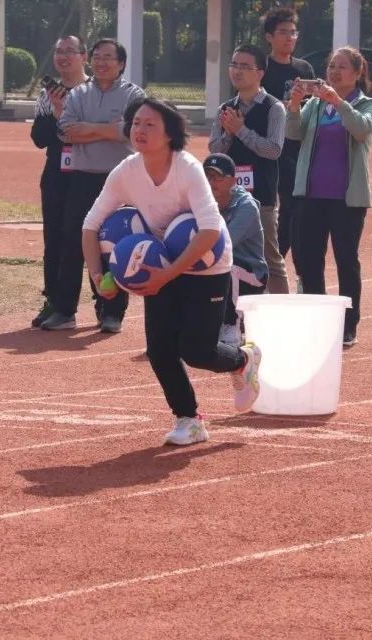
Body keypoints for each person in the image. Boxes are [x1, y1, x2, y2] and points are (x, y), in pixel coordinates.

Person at [82, 98, 262, 446]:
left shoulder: (187, 168)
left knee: (197, 351)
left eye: (150, 124)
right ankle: (189, 419)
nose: (140, 130)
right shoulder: (126, 172)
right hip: (161, 262)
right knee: (160, 349)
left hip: (208, 263)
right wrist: (96, 275)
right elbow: (91, 225)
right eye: (136, 123)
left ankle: (243, 359)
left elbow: (210, 230)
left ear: (169, 134)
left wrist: (167, 276)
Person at [42, 38, 144, 333]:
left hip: (119, 178)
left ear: (121, 64)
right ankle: (65, 310)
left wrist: (89, 129)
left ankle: (112, 312)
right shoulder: (79, 93)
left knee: (115, 243)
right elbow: (65, 131)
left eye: (108, 58)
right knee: (72, 240)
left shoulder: (133, 94)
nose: (101, 62)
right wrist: (108, 130)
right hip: (82, 177)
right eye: (97, 57)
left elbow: (130, 130)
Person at [285, 46, 372, 347]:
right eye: (331, 67)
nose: (334, 72)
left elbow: (361, 129)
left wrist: (338, 102)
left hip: (346, 200)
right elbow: (293, 134)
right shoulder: (315, 105)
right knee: (310, 261)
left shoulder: (367, 104)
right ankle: (318, 321)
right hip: (311, 196)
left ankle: (348, 325)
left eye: (342, 67)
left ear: (357, 73)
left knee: (346, 262)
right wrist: (295, 105)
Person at [208, 43, 288, 294]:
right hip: (227, 197)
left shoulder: (274, 108)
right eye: (234, 65)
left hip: (261, 195)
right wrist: (229, 134)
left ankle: (281, 310)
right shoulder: (225, 108)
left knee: (270, 258)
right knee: (225, 251)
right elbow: (215, 150)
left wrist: (241, 130)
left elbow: (274, 149)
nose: (237, 71)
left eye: (245, 66)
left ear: (260, 73)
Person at [28, 35, 89, 328]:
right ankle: (55, 302)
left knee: (93, 240)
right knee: (54, 240)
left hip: (90, 175)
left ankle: (107, 305)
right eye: (58, 51)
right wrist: (56, 112)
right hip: (56, 175)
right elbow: (40, 138)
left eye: (70, 51)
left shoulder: (94, 91)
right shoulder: (47, 95)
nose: (63, 56)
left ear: (83, 56)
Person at [259, 6, 316, 263]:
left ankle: (278, 263)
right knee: (263, 207)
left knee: (293, 209)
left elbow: (312, 107)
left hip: (294, 149)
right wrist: (287, 105)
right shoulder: (259, 68)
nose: (290, 37)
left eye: (293, 32)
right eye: (283, 32)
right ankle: (261, 264)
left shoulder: (304, 69)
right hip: (264, 149)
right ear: (269, 37)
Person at [203, 152, 267, 346]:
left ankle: (232, 325)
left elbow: (225, 244)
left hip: (251, 276)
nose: (212, 182)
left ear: (233, 180)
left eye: (218, 177)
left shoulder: (246, 206)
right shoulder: (202, 203)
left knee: (225, 264)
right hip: (219, 269)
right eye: (208, 176)